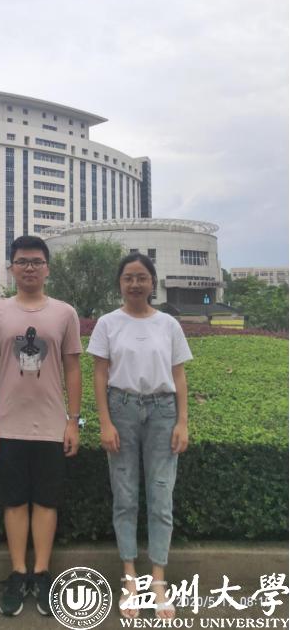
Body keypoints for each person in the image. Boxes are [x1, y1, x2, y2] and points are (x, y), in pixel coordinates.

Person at [0, 235, 82, 617]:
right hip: (8, 426)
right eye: (22, 261)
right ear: (11, 268)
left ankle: (41, 573)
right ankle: (17, 573)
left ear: (47, 268)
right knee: (14, 502)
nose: (29, 268)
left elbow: (73, 368)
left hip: (52, 426)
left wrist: (74, 421)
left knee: (46, 502)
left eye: (36, 261)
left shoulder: (65, 314)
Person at [87, 252, 192, 621]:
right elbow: (100, 375)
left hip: (163, 412)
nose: (135, 284)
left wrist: (182, 421)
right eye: (128, 277)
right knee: (125, 495)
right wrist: (105, 422)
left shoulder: (168, 324)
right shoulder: (108, 323)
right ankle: (130, 577)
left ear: (152, 282)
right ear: (120, 283)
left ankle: (158, 580)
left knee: (161, 496)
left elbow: (178, 375)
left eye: (141, 277)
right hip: (122, 409)